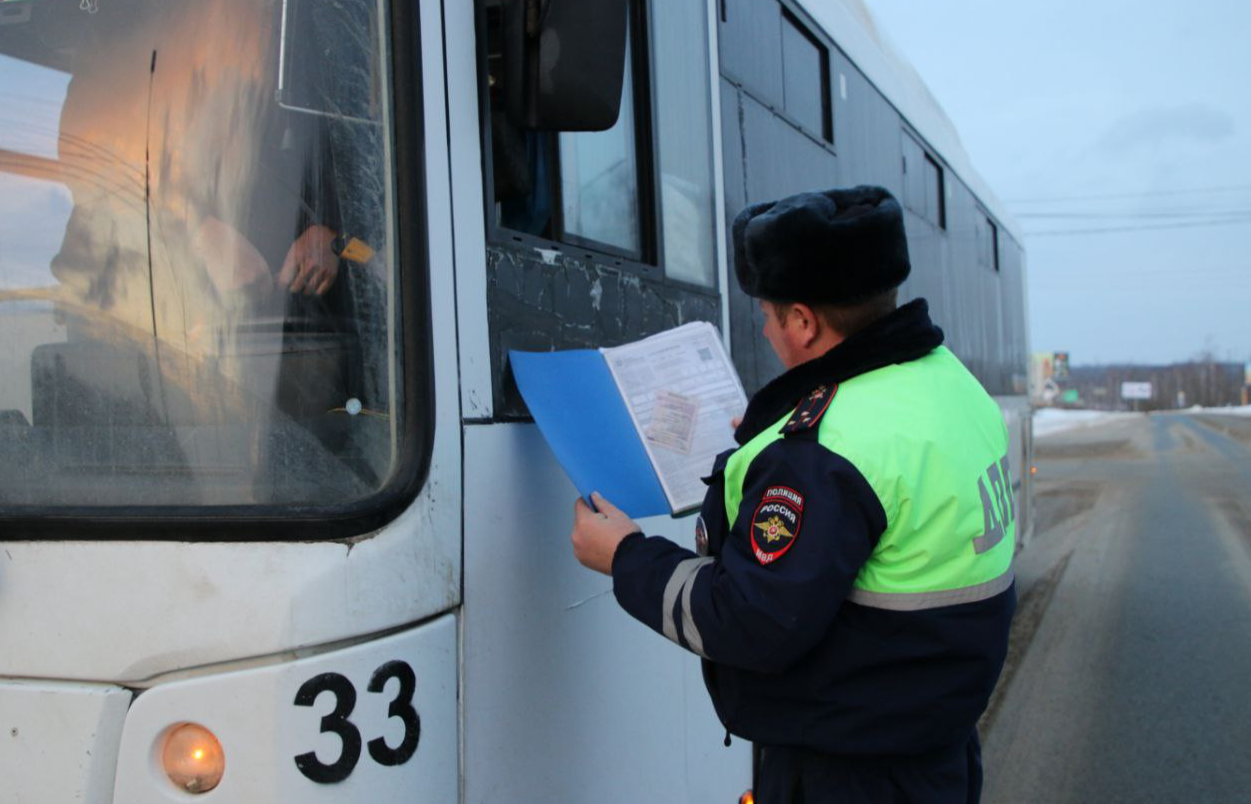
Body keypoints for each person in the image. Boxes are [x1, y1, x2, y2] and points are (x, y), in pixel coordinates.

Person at [569, 185, 1017, 803]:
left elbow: (749, 621)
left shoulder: (825, 452)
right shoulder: (946, 382)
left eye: (769, 311)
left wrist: (624, 555)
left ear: (804, 322)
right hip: (933, 747)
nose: (763, 325)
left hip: (850, 773)